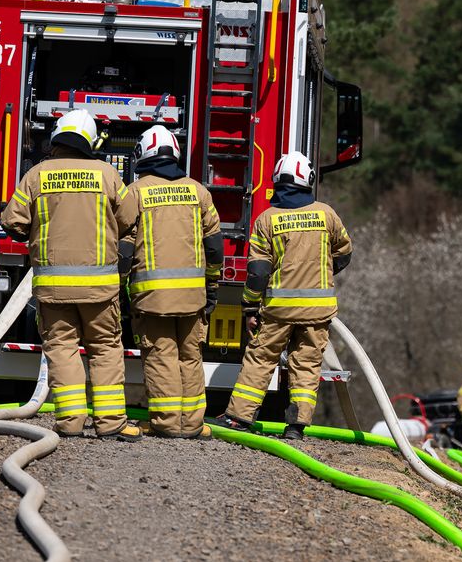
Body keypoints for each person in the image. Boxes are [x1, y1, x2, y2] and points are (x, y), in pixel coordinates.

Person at [1, 109, 140, 441]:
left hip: (53, 289)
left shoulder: (37, 175)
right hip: (100, 289)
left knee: (62, 347)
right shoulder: (107, 174)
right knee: (105, 347)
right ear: (89, 141)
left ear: (57, 139)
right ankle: (110, 424)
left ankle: (70, 421)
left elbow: (12, 222)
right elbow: (130, 218)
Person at [209, 152, 352, 441]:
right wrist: (320, 274)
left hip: (278, 311)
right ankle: (296, 426)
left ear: (276, 180)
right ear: (308, 180)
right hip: (318, 310)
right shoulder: (327, 214)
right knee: (307, 364)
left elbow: (259, 273)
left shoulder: (267, 220)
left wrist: (249, 305)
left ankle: (239, 418)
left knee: (261, 359)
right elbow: (344, 254)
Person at [121, 125, 222, 439]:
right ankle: (192, 424)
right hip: (193, 297)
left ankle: (165, 422)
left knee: (161, 354)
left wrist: (116, 284)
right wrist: (213, 287)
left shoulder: (136, 192)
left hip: (153, 298)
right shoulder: (198, 191)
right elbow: (215, 247)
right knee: (190, 356)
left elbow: (124, 246)